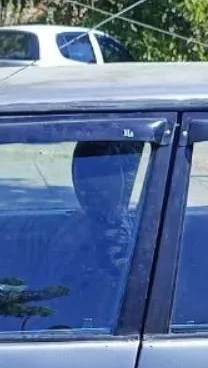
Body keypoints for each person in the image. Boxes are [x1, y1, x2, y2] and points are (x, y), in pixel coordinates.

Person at [34, 140, 145, 329]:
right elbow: (55, 296)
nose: (90, 197)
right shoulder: (71, 234)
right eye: (86, 188)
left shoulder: (140, 232)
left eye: (100, 189)